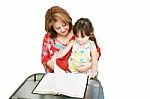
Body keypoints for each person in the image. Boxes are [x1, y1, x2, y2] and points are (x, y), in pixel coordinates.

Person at [41, 6, 104, 99]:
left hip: (83, 75)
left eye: (64, 25)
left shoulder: (80, 30)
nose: (62, 29)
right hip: (62, 81)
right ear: (52, 28)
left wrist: (89, 66)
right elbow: (45, 58)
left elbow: (96, 54)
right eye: (58, 28)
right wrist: (51, 62)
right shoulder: (49, 38)